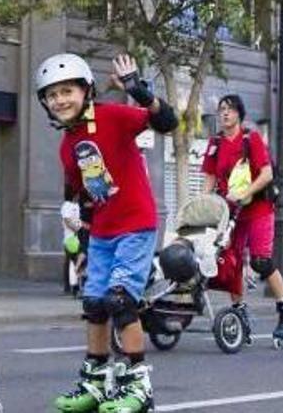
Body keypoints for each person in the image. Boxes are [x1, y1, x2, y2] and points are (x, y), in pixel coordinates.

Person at [35, 52, 177, 413]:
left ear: (86, 91)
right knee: (94, 304)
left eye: (67, 91)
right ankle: (96, 382)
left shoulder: (113, 116)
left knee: (120, 300)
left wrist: (139, 91)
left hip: (135, 225)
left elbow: (167, 122)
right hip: (101, 233)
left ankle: (138, 384)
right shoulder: (67, 146)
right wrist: (80, 232)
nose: (60, 100)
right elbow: (84, 197)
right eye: (52, 95)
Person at [201, 94, 283, 349]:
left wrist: (246, 193)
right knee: (230, 263)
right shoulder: (215, 143)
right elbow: (210, 179)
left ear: (239, 115)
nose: (224, 114)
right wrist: (203, 206)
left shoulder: (251, 139)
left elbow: (266, 173)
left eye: (230, 110)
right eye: (221, 109)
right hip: (231, 213)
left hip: (257, 209)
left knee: (261, 261)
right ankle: (239, 312)